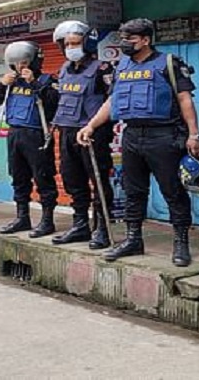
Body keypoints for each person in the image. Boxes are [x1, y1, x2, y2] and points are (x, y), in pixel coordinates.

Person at [77, 18, 199, 267]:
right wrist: (91, 125)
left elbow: (185, 99)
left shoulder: (167, 63)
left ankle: (181, 243)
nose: (125, 44)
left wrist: (194, 135)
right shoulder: (121, 65)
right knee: (133, 191)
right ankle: (134, 239)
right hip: (132, 135)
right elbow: (112, 101)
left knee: (173, 191)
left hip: (164, 136)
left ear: (145, 40)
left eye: (130, 39)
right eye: (123, 39)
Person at [49, 20, 115, 249]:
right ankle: (80, 225)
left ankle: (102, 228)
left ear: (87, 43)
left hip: (91, 134)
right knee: (72, 180)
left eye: (75, 43)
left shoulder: (103, 69)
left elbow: (112, 100)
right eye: (67, 44)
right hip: (67, 131)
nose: (70, 48)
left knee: (99, 182)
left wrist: (97, 128)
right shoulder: (64, 70)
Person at [0, 41, 59, 235]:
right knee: (19, 178)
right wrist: (1, 85)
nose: (21, 67)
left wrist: (34, 83)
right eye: (17, 63)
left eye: (25, 62)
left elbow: (54, 104)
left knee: (43, 178)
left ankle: (47, 220)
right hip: (15, 133)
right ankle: (22, 218)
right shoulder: (11, 84)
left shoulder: (46, 80)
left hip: (37, 134)